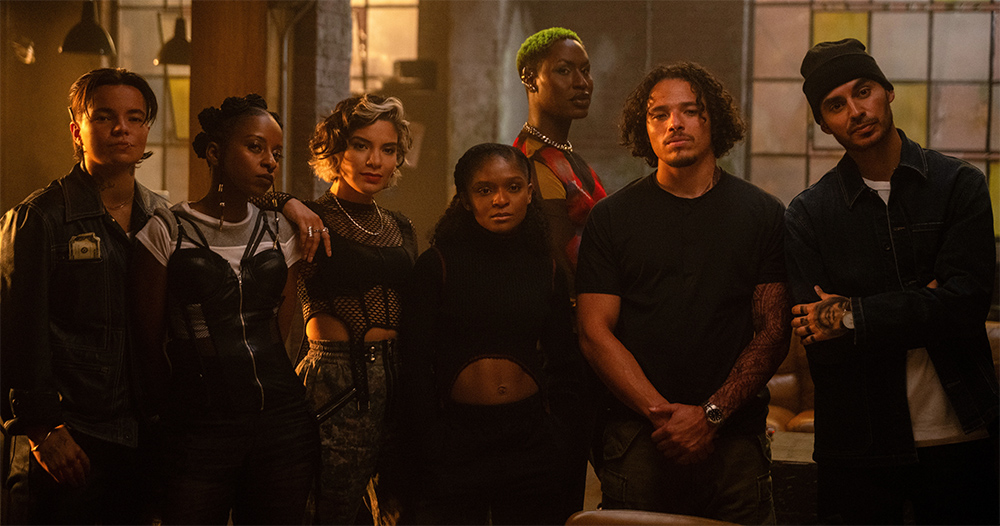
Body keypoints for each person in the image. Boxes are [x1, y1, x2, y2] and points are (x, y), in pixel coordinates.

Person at [786, 38, 999, 525]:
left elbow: (966, 305)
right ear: (824, 124)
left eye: (863, 91)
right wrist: (927, 300)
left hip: (963, 433)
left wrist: (853, 315)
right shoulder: (807, 215)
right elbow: (819, 338)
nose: (856, 111)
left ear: (888, 92)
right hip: (857, 447)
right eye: (835, 104)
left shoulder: (958, 185)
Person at [575, 62, 790, 524]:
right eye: (660, 114)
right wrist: (663, 417)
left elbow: (773, 331)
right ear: (645, 127)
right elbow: (594, 333)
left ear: (715, 121)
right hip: (640, 437)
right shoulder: (611, 218)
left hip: (735, 440)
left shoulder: (762, 214)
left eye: (690, 111)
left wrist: (711, 415)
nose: (675, 123)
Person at [131, 94, 318, 524]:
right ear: (215, 153)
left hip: (282, 423)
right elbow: (147, 342)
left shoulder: (280, 230)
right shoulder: (167, 229)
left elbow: (280, 331)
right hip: (199, 427)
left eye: (276, 153)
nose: (269, 161)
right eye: (255, 147)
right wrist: (167, 417)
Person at [0, 67, 168, 524]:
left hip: (144, 438)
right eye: (104, 117)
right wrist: (41, 430)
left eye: (135, 118)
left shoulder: (163, 218)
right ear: (77, 130)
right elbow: (16, 333)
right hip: (69, 437)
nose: (121, 129)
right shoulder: (39, 218)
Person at [399, 143, 583, 525]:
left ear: (529, 193)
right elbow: (414, 365)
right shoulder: (436, 265)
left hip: (531, 438)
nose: (501, 200)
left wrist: (558, 436)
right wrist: (432, 441)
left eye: (513, 187)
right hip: (457, 438)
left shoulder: (545, 266)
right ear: (466, 199)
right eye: (485, 190)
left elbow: (565, 360)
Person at [281, 94, 416, 525]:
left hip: (397, 381)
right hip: (335, 382)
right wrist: (283, 201)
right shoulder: (308, 219)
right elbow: (247, 199)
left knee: (393, 513)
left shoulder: (400, 226)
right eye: (361, 145)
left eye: (388, 149)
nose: (375, 160)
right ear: (336, 150)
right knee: (327, 512)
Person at [513, 27, 606, 292]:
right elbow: (564, 268)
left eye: (585, 71)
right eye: (564, 70)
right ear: (530, 78)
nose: (581, 82)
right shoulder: (531, 162)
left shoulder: (564, 155)